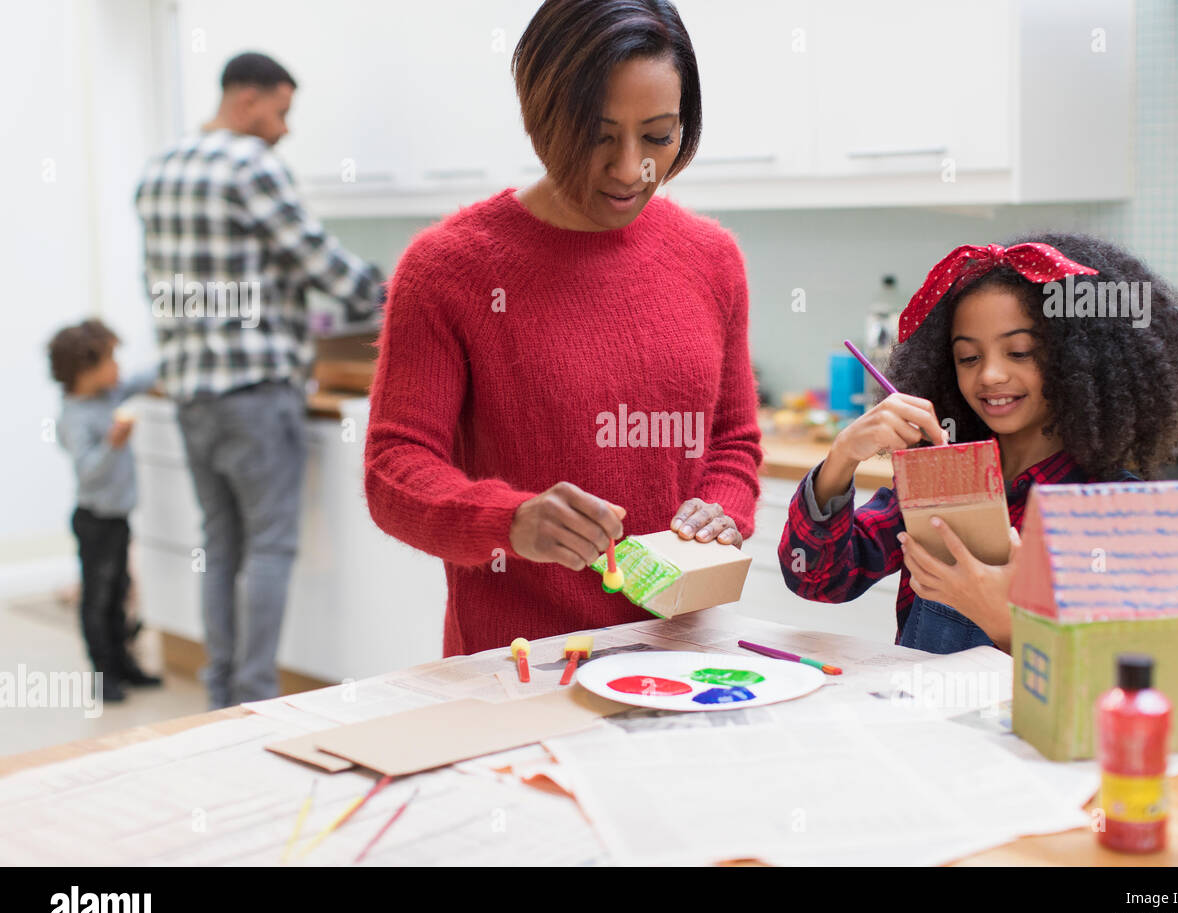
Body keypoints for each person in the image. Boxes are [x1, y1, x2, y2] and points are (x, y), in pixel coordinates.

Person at [364, 0, 762, 657]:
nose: (630, 166)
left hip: (684, 656)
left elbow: (733, 439)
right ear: (540, 115)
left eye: (658, 136)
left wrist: (721, 510)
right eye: (599, 135)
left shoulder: (712, 259)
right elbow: (393, 471)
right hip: (520, 667)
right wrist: (511, 521)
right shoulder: (447, 270)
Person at [779, 234, 1178, 653]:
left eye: (1020, 352)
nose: (990, 374)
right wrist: (841, 460)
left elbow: (1110, 680)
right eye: (968, 357)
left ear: (1082, 360)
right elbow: (818, 579)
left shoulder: (1115, 509)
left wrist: (1005, 620)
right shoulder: (943, 479)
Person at [134, 52, 385, 707]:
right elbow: (321, 264)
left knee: (220, 545)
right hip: (257, 391)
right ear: (246, 100)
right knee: (269, 547)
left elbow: (152, 287)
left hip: (191, 392)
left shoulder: (159, 168)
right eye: (280, 111)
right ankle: (252, 696)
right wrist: (400, 291)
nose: (284, 129)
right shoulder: (252, 165)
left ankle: (221, 689)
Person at [49, 319, 162, 701]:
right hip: (94, 520)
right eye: (112, 360)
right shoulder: (74, 416)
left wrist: (173, 358)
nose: (119, 369)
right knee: (96, 599)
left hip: (117, 518)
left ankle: (123, 663)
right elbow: (87, 471)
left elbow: (139, 381)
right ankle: (103, 674)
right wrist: (113, 442)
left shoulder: (109, 396)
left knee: (119, 593)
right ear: (85, 371)